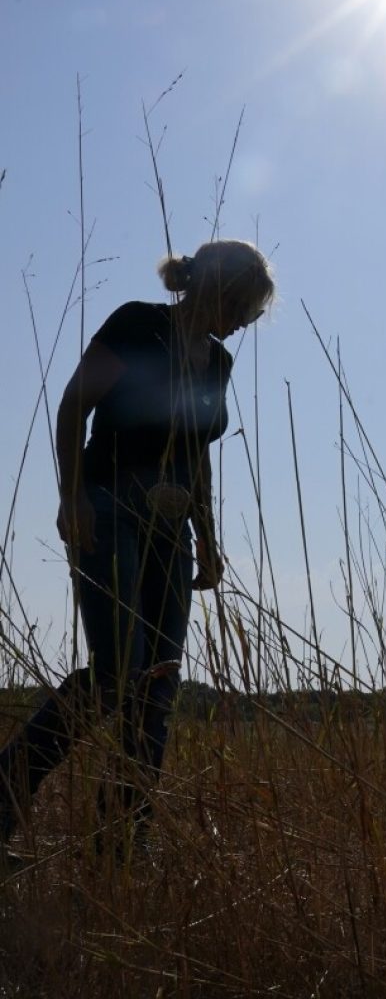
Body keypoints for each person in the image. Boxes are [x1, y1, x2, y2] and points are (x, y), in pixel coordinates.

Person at [0, 239, 274, 868]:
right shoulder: (136, 323)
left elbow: (196, 452)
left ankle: (123, 841)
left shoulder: (218, 362)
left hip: (170, 530)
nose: (243, 323)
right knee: (118, 672)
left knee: (157, 684)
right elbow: (75, 405)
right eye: (242, 307)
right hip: (110, 505)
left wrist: (207, 537)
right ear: (215, 291)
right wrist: (73, 496)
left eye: (251, 315)